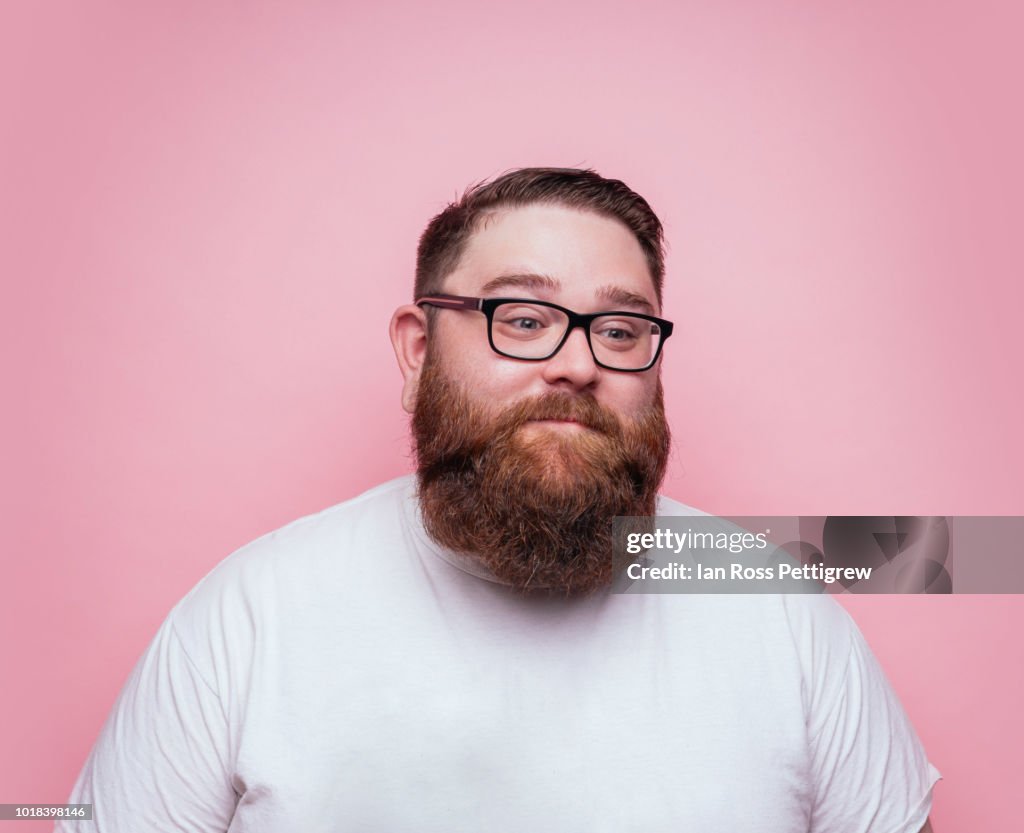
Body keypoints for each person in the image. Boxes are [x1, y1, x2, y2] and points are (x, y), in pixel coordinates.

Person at [60, 168, 940, 832]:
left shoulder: (782, 614)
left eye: (622, 329)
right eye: (522, 318)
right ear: (416, 350)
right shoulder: (246, 620)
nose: (577, 363)